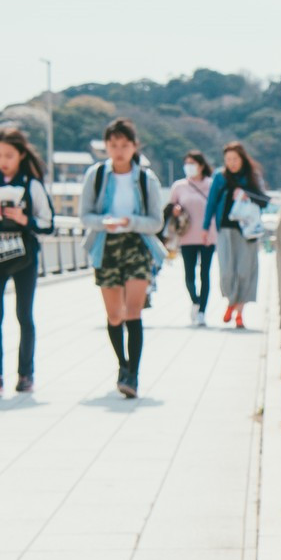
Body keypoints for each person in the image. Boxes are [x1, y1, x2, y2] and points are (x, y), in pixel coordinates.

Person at [78, 118, 167, 397]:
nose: (118, 150)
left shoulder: (145, 178)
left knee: (133, 311)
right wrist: (104, 222)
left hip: (136, 245)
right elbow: (85, 216)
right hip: (106, 244)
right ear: (106, 146)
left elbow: (156, 222)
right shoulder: (96, 175)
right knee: (114, 314)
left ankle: (133, 375)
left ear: (134, 146)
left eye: (124, 144)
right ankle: (122, 364)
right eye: (113, 144)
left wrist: (131, 222)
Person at [0, 126, 55, 395]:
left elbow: (48, 223)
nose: (2, 161)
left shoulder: (32, 184)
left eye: (8, 155)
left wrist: (23, 219)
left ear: (20, 155)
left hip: (24, 256)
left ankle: (25, 374)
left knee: (23, 315)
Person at [203, 141, 269, 327]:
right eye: (228, 159)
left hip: (247, 232)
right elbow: (211, 203)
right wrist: (205, 227)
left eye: (235, 159)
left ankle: (239, 312)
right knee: (226, 271)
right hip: (225, 229)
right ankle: (231, 302)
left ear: (242, 158)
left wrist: (247, 194)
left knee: (244, 271)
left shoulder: (252, 176)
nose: (231, 163)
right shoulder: (220, 177)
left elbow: (264, 201)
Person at [167, 150, 216, 326]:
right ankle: (195, 301)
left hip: (207, 236)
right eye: (186, 163)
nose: (189, 166)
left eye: (192, 163)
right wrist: (175, 209)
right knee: (189, 275)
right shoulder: (178, 186)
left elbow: (216, 210)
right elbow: (170, 209)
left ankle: (202, 311)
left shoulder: (211, 185)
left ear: (201, 165)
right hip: (186, 236)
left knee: (205, 274)